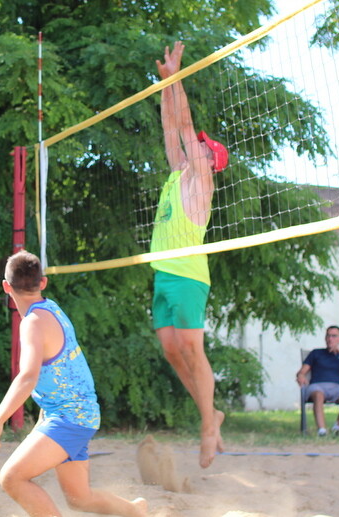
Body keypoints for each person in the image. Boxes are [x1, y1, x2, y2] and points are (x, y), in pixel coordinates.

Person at [0, 251, 147, 517]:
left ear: (6, 286)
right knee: (79, 499)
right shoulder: (51, 307)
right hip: (75, 413)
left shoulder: (32, 322)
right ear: (42, 283)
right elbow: (61, 372)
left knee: (11, 478)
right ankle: (136, 511)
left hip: (71, 417)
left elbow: (27, 376)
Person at [150, 41, 229, 469]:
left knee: (192, 350)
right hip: (164, 273)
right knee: (170, 349)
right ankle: (210, 410)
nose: (191, 145)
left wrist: (177, 76)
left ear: (208, 160)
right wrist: (166, 84)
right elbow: (170, 127)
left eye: (199, 145)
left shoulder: (201, 181)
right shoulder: (177, 175)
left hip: (187, 275)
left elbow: (184, 125)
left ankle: (207, 425)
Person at [296, 325, 339, 436]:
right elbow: (302, 372)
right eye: (328, 336)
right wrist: (301, 376)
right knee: (319, 394)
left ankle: (337, 427)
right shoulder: (316, 353)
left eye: (334, 336)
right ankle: (322, 430)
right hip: (317, 386)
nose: (330, 339)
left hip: (336, 388)